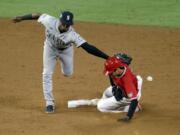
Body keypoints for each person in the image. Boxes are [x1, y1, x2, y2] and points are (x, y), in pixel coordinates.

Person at [12, 11, 109, 113]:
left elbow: (88, 48)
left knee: (68, 73)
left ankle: (62, 62)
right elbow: (38, 15)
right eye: (64, 23)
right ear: (59, 20)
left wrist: (107, 57)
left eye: (68, 24)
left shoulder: (72, 34)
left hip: (66, 51)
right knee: (46, 74)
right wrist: (21, 18)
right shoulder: (49, 21)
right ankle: (49, 103)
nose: (66, 26)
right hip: (50, 49)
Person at [68, 54, 143, 122]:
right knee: (107, 93)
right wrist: (114, 87)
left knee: (101, 107)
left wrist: (128, 116)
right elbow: (111, 75)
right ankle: (110, 101)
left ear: (117, 69)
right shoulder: (118, 66)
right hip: (125, 85)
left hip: (128, 97)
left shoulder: (127, 81)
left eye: (111, 72)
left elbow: (134, 100)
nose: (110, 74)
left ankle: (129, 108)